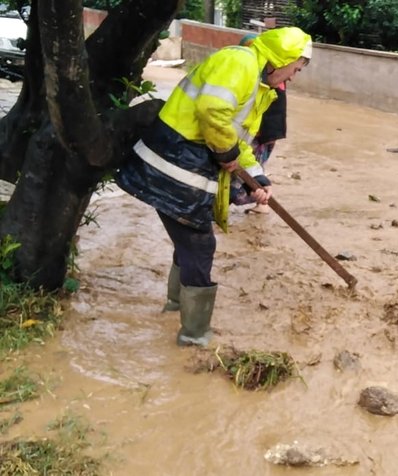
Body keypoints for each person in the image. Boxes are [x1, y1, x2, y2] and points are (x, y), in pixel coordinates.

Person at [116, 27, 313, 346]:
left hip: (180, 168)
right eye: (295, 70)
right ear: (281, 60)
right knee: (199, 244)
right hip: (173, 165)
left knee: (191, 239)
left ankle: (175, 308)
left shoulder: (260, 86)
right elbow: (212, 111)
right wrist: (227, 154)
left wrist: (257, 177)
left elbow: (239, 141)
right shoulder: (242, 63)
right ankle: (193, 337)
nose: (292, 79)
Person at [230, 34, 290, 214]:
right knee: (251, 167)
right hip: (267, 133)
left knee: (246, 169)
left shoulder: (266, 78)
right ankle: (260, 201)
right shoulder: (271, 74)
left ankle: (261, 202)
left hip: (261, 134)